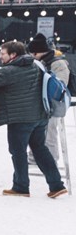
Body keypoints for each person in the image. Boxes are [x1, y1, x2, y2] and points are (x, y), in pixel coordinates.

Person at [0, 40, 66, 198]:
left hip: (20, 119)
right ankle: (56, 185)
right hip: (40, 117)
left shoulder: (9, 71)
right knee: (40, 149)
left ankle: (21, 187)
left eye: (3, 53)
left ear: (13, 55)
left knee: (18, 152)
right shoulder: (36, 65)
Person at [28, 33, 71, 166]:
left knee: (50, 130)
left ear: (38, 52)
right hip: (38, 103)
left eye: (33, 53)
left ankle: (51, 158)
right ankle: (34, 157)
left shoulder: (58, 63)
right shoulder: (39, 62)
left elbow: (60, 86)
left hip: (53, 104)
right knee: (34, 131)